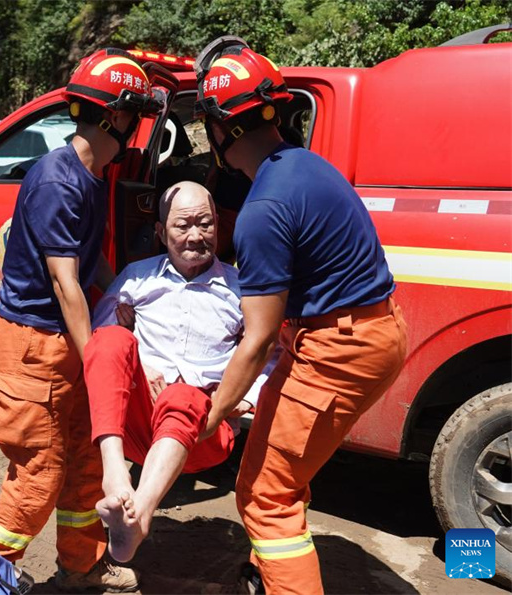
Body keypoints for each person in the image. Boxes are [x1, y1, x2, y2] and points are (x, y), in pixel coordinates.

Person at [193, 37, 408, 595]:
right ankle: (274, 570)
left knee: (265, 494)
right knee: (280, 466)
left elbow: (259, 339)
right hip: (368, 330)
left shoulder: (262, 211)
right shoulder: (306, 165)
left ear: (221, 131)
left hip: (337, 349)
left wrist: (210, 417)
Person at [0, 48, 163, 593]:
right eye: (135, 116)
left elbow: (89, 263)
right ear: (116, 116)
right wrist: (98, 364)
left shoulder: (90, 176)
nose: (136, 129)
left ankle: (81, 568)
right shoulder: (59, 181)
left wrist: (121, 293)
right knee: (38, 473)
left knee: (87, 465)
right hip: (34, 348)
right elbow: (66, 284)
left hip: (62, 342)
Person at [83, 181, 274, 564]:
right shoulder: (137, 278)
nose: (195, 236)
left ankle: (140, 512)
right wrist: (141, 359)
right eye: (182, 225)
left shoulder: (243, 289)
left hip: (203, 430)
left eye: (204, 224)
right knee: (108, 339)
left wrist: (244, 399)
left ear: (219, 225)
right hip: (138, 424)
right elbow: (100, 347)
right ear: (159, 232)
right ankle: (116, 473)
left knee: (183, 393)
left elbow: (271, 353)